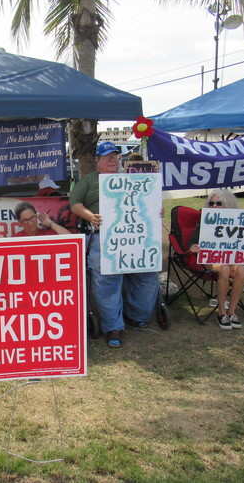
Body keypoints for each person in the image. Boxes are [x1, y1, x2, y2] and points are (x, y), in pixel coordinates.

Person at [70, 141, 159, 348]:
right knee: (107, 282)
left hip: (135, 236)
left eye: (115, 156)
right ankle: (113, 326)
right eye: (107, 156)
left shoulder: (130, 179)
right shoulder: (89, 181)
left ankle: (136, 314)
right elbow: (74, 203)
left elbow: (147, 201)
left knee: (147, 275)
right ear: (97, 160)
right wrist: (90, 216)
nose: (112, 160)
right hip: (104, 236)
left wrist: (156, 210)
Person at [189, 189, 244, 330]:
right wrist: (193, 247)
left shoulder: (240, 221)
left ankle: (232, 311)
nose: (214, 206)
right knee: (224, 268)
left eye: (218, 203)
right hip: (212, 260)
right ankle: (221, 312)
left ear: (228, 204)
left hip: (233, 259)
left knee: (241, 270)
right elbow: (191, 243)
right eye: (211, 203)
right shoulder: (205, 221)